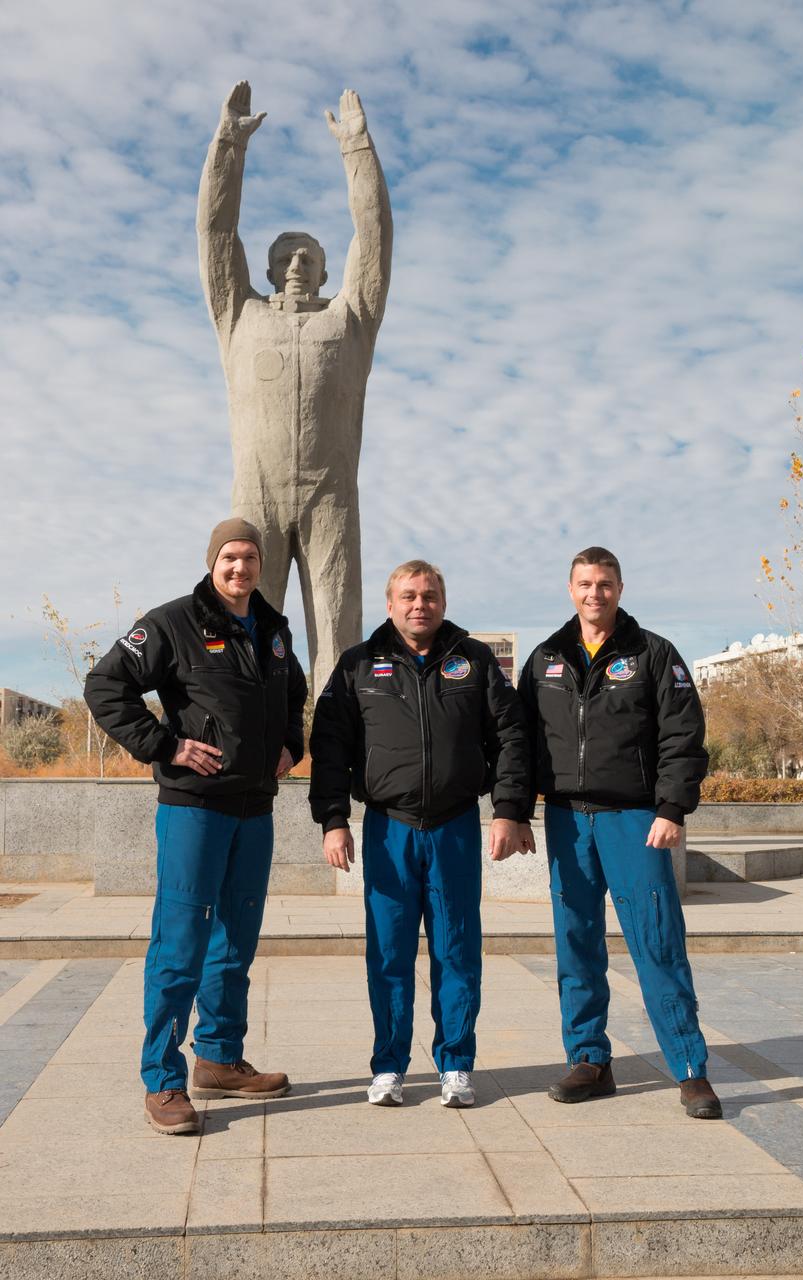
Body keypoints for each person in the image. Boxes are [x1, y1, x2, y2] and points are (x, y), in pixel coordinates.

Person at [84, 518, 307, 1135]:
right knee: (180, 945)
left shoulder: (274, 630)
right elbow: (106, 685)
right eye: (229, 558)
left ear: (261, 565)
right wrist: (165, 745)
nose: (240, 568)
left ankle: (218, 1057)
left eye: (250, 558)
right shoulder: (172, 622)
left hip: (253, 810)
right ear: (213, 562)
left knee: (236, 942)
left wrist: (293, 743)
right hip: (194, 809)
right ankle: (162, 1079)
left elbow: (296, 696)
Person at [309, 560, 529, 1108]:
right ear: (389, 604)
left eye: (429, 595)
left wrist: (508, 809)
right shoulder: (359, 664)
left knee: (457, 949)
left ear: (443, 602)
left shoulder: (474, 661)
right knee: (388, 953)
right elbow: (330, 745)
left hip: (454, 828)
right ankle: (389, 1066)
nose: (419, 605)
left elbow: (512, 736)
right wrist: (333, 820)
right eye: (408, 596)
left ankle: (456, 1063)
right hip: (389, 830)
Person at [197, 81, 392, 697]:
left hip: (331, 494)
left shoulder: (350, 319)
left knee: (339, 636)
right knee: (244, 632)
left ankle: (342, 759)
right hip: (256, 492)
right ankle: (249, 746)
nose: (296, 265)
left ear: (329, 270)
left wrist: (356, 149)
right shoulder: (239, 316)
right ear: (266, 267)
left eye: (309, 256)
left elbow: (377, 236)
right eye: (286, 255)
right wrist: (229, 144)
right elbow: (215, 233)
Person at [518, 547, 722, 1120]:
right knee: (576, 943)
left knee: (657, 941)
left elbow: (683, 736)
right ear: (570, 588)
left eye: (604, 584)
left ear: (621, 588)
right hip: (566, 820)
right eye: (585, 584)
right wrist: (514, 808)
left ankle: (689, 1068)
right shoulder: (544, 659)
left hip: (636, 820)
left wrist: (672, 807)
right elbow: (520, 743)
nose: (594, 594)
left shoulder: (653, 653)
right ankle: (589, 1060)